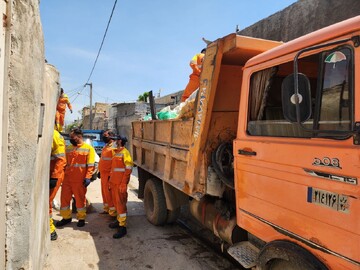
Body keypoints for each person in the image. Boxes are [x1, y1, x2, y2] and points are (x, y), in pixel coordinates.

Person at [56, 128, 95, 228]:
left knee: (80, 200)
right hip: (67, 179)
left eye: (72, 137)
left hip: (79, 180)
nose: (71, 139)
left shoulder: (88, 148)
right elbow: (64, 163)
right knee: (64, 199)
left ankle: (81, 218)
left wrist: (88, 177)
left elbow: (91, 165)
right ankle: (66, 217)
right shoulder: (68, 148)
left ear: (79, 137)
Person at [108, 136, 133, 239]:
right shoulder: (116, 152)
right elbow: (113, 169)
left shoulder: (125, 153)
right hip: (114, 183)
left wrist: (124, 183)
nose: (114, 141)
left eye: (116, 140)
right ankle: (118, 221)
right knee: (116, 203)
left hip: (120, 184)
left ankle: (122, 227)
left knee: (120, 204)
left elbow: (128, 169)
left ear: (120, 141)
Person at [49, 128, 66, 240]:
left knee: (47, 201)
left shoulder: (54, 135)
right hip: (50, 173)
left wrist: (54, 177)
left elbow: (61, 159)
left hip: (54, 174)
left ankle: (50, 228)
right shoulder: (52, 134)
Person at [98, 129, 116, 216]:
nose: (104, 137)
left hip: (109, 175)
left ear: (111, 137)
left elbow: (116, 163)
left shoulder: (114, 148)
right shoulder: (106, 146)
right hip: (103, 174)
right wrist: (99, 171)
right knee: (104, 193)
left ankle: (113, 213)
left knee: (110, 194)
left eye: (105, 136)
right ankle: (106, 209)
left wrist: (111, 175)